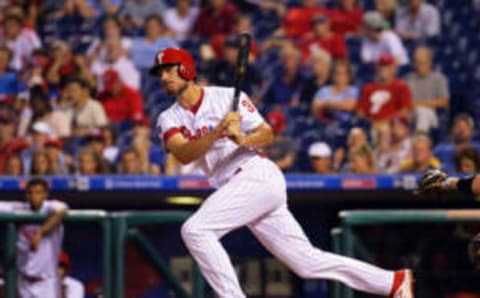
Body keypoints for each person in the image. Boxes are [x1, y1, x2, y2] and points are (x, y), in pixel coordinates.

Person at [151, 47, 414, 298]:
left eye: (168, 70)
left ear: (186, 69)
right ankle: (392, 282)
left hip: (255, 175)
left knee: (195, 230)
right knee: (306, 263)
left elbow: (267, 133)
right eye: (160, 73)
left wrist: (243, 138)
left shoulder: (226, 97)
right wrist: (219, 130)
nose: (163, 77)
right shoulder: (169, 118)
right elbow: (184, 153)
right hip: (236, 187)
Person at [0, 177, 68, 298]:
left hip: (46, 283)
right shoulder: (19, 209)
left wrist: (40, 232)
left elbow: (62, 211)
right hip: (24, 281)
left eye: (38, 192)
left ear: (45, 194)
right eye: (30, 192)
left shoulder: (50, 207)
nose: (33, 196)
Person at [356, 54, 413, 133]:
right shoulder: (368, 88)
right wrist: (369, 124)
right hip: (370, 127)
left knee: (387, 129)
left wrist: (384, 122)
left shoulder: (401, 86)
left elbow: (404, 112)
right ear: (377, 68)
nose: (384, 69)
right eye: (382, 66)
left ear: (394, 68)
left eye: (388, 66)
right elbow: (360, 112)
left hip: (391, 126)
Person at [405, 46, 449, 132]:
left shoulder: (439, 78)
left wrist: (420, 104)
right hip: (411, 114)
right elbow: (404, 102)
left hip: (433, 115)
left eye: (422, 63)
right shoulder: (408, 79)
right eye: (416, 63)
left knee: (423, 112)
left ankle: (420, 139)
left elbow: (444, 102)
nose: (419, 66)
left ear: (430, 63)